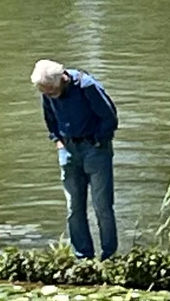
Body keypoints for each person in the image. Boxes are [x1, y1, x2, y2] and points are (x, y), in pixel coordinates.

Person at [33, 59, 119, 260]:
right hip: (68, 150)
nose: (48, 95)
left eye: (50, 91)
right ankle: (83, 256)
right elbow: (50, 118)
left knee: (102, 206)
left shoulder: (87, 86)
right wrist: (57, 139)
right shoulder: (48, 91)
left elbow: (110, 117)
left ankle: (109, 256)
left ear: (62, 79)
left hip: (95, 150)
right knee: (74, 207)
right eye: (44, 92)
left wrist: (99, 140)